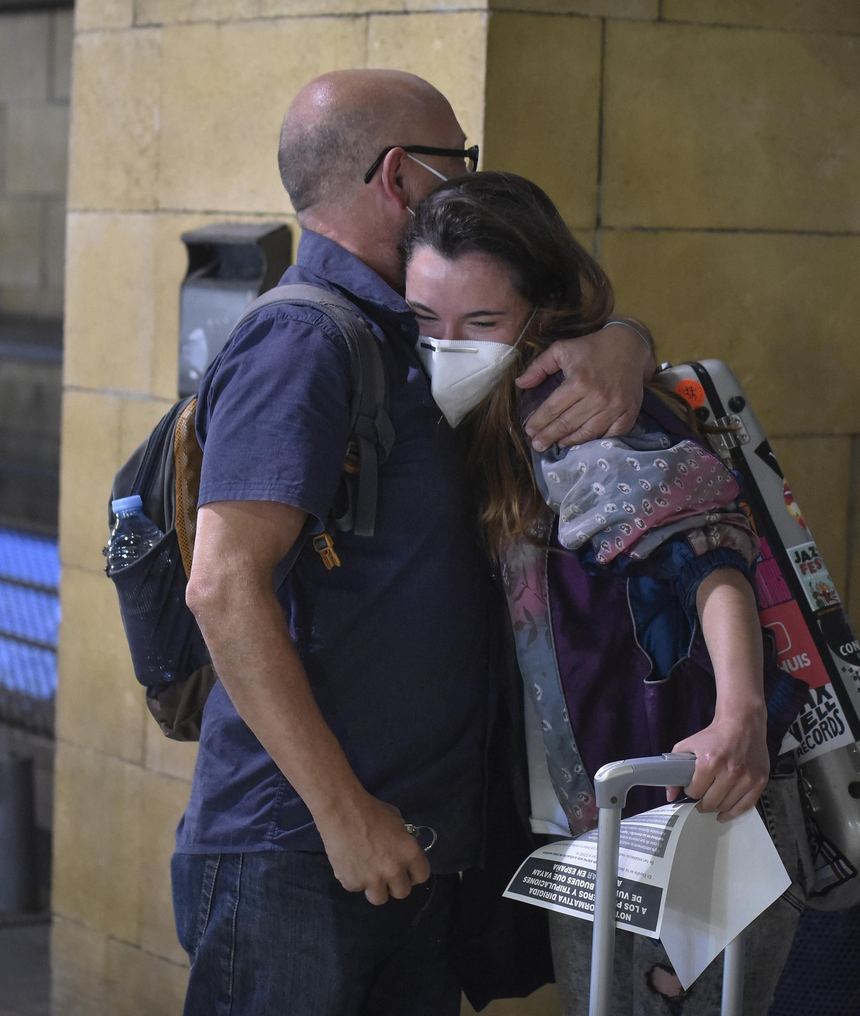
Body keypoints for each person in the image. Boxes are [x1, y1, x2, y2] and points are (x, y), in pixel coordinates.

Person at [172, 70, 659, 1016]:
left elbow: (557, 316)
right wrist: (344, 815)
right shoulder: (305, 343)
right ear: (400, 176)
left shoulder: (420, 333)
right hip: (302, 850)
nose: (467, 181)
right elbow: (222, 587)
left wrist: (625, 343)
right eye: (457, 162)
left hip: (415, 847)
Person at [401, 170, 812, 1015]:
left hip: (688, 813)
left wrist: (739, 715)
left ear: (542, 311)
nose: (448, 346)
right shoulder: (493, 419)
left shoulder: (570, 410)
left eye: (482, 322)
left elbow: (706, 553)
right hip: (611, 824)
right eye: (425, 319)